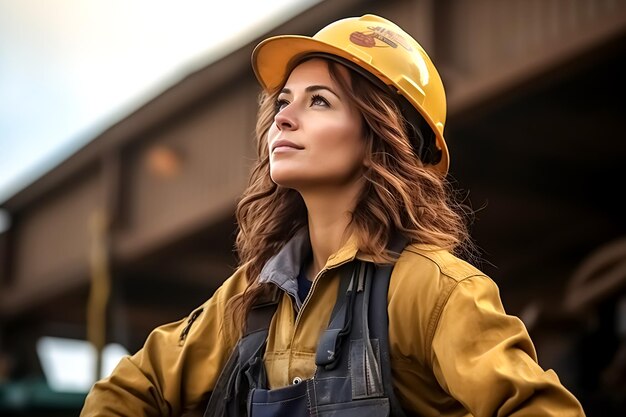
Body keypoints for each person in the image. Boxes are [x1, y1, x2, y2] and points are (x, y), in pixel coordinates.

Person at [80, 14, 586, 417]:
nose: (283, 116)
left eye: (318, 101)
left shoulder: (432, 289)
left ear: (381, 137)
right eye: (284, 100)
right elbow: (131, 388)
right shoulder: (252, 295)